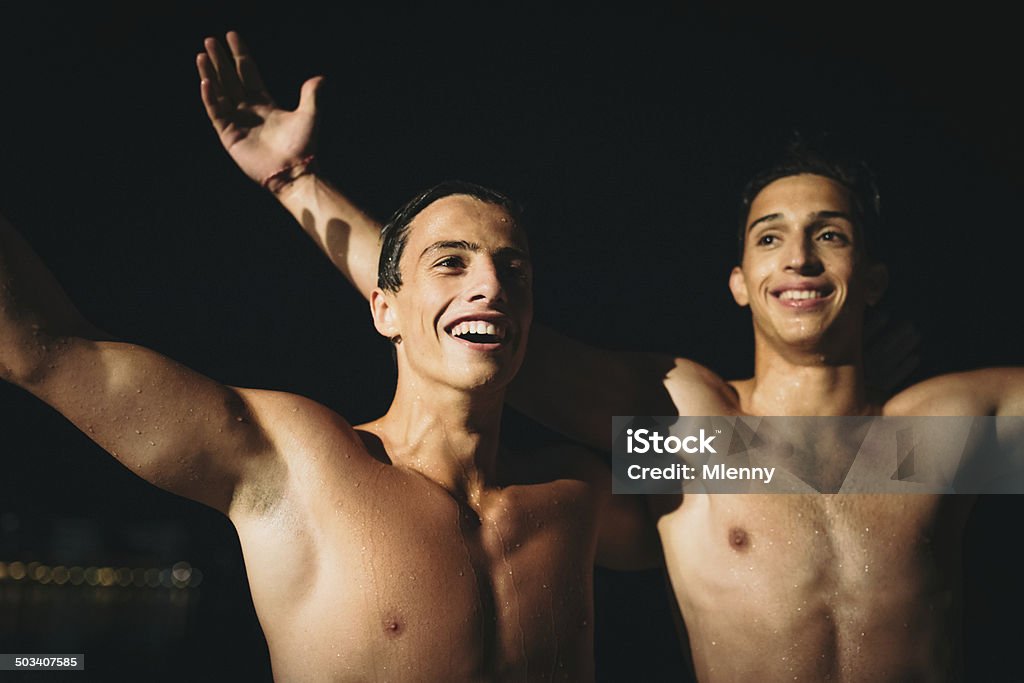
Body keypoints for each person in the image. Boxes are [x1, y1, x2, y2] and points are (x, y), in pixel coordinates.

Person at [200, 31, 1024, 681]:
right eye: (771, 238)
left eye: (831, 236)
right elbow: (456, 311)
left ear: (870, 278)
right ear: (739, 281)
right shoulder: (693, 434)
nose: (801, 259)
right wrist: (295, 184)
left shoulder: (945, 436)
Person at [0, 166, 659, 681]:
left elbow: (760, 472)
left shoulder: (576, 493)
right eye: (451, 261)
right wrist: (293, 183)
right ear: (385, 309)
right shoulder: (298, 460)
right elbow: (39, 348)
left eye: (513, 268)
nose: (490, 283)